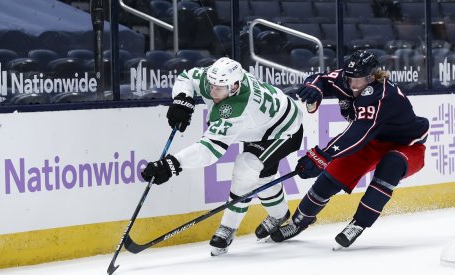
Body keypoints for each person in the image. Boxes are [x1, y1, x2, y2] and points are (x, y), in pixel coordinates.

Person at [141, 57, 304, 256]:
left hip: (284, 131)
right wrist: (182, 100)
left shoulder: (238, 107)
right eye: (211, 86)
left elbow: (210, 149)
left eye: (219, 88)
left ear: (235, 87)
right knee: (263, 177)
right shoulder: (217, 79)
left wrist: (172, 164)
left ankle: (227, 227)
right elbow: (187, 77)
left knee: (245, 169)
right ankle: (280, 216)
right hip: (261, 127)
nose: (212, 92)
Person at [270, 50, 429, 248]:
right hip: (372, 141)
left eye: (358, 80)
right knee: (329, 179)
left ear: (372, 78)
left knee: (391, 165)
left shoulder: (381, 95)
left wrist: (323, 154)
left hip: (407, 144)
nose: (352, 85)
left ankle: (359, 223)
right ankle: (299, 222)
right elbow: (322, 78)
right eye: (349, 78)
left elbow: (358, 132)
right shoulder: (347, 78)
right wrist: (314, 88)